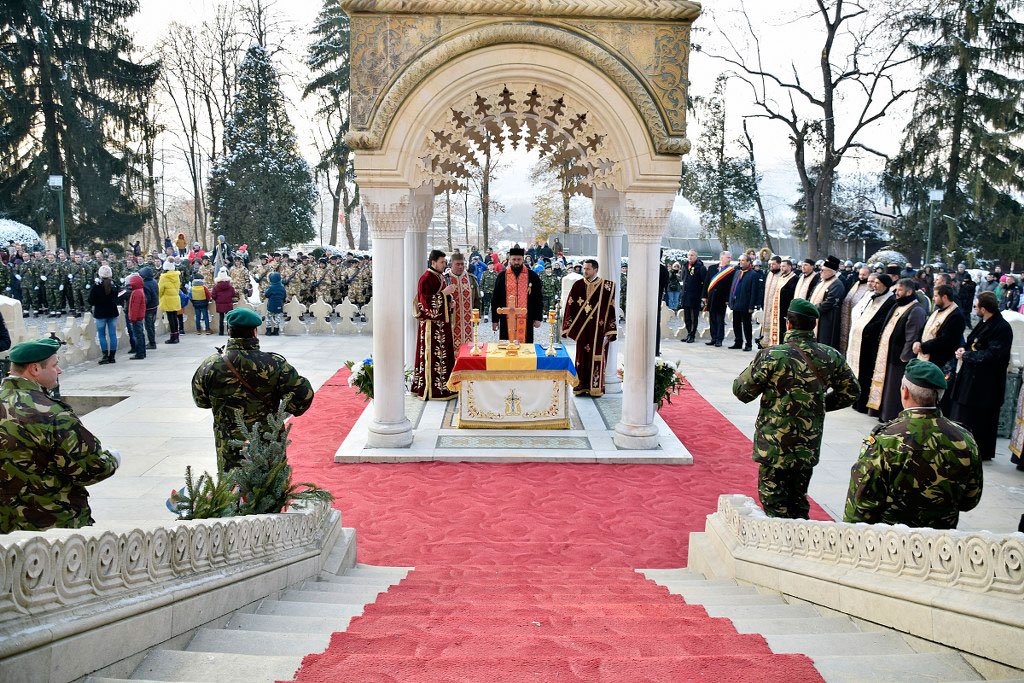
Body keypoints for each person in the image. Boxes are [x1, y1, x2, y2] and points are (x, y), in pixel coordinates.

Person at [733, 300, 859, 518]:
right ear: (814, 325)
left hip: (774, 443)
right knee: (798, 499)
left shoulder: (772, 355)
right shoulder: (830, 355)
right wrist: (816, 405)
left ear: (789, 324)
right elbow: (851, 392)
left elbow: (741, 391)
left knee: (774, 503)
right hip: (807, 442)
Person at [0, 338, 121, 533]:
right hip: (52, 526)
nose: (59, 370)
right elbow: (90, 468)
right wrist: (113, 458)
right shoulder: (52, 413)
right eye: (55, 365)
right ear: (35, 369)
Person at [844, 359, 981, 529]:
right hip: (941, 543)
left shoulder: (886, 439)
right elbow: (970, 499)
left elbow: (861, 503)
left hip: (892, 543)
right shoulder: (965, 439)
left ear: (905, 391)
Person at [191, 308, 314, 472]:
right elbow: (303, 397)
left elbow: (201, 401)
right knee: (271, 489)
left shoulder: (211, 364)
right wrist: (283, 410)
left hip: (229, 445)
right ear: (255, 332)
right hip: (268, 441)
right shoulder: (274, 363)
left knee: (231, 490)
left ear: (229, 331)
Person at [949, 291, 1013, 461]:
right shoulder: (984, 322)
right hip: (970, 378)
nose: (974, 309)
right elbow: (973, 343)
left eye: (976, 306)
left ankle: (976, 450)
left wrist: (966, 356)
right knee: (963, 413)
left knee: (979, 419)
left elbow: (993, 354)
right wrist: (964, 350)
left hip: (986, 384)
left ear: (983, 309)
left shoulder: (1002, 328)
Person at [867, 278, 926, 421]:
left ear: (909, 291)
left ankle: (890, 415)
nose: (896, 293)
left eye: (899, 290)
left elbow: (912, 335)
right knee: (886, 386)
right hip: (887, 353)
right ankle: (881, 412)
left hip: (899, 357)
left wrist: (905, 357)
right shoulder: (897, 305)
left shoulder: (916, 309)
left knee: (893, 389)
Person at [562, 258, 617, 396]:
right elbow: (570, 306)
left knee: (596, 358)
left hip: (598, 330)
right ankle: (580, 386)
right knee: (581, 359)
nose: (584, 271)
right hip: (582, 331)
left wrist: (609, 332)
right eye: (584, 268)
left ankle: (595, 388)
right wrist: (568, 327)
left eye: (588, 269)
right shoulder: (578, 285)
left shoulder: (607, 287)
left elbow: (611, 309)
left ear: (595, 270)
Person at [847, 274, 896, 413]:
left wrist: (868, 329)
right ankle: (857, 400)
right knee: (859, 371)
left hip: (871, 343)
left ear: (885, 285)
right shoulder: (873, 296)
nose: (874, 285)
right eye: (874, 282)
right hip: (862, 341)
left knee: (866, 373)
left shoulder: (890, 300)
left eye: (877, 283)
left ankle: (863, 403)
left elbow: (881, 321)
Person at [412, 249, 457, 400]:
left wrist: (449, 303)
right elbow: (426, 303)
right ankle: (431, 389)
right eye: (442, 262)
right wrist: (444, 294)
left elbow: (442, 298)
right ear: (433, 263)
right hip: (431, 326)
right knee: (433, 357)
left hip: (442, 325)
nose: (444, 265)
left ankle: (445, 387)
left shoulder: (439, 276)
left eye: (445, 262)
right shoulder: (426, 278)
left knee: (444, 357)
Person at [490, 244, 544, 343]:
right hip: (505, 319)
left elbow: (538, 298)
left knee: (526, 349)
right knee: (506, 348)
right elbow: (495, 299)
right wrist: (495, 320)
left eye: (519, 260)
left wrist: (538, 317)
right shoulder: (502, 276)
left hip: (526, 318)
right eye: (514, 259)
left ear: (522, 259)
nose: (516, 262)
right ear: (509, 259)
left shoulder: (532, 276)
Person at [913, 284, 966, 372]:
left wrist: (923, 347)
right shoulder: (937, 311)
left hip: (938, 362)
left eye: (936, 296)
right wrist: (917, 340)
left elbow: (946, 340)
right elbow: (925, 327)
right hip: (924, 356)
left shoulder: (956, 316)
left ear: (944, 297)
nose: (933, 298)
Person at [759, 258, 797, 348]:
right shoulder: (772, 275)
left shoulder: (793, 278)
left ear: (790, 266)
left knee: (782, 329)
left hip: (783, 309)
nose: (771, 266)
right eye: (770, 264)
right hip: (771, 307)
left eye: (783, 266)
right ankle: (767, 343)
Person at [809, 256, 845, 349]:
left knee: (824, 343)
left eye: (823, 270)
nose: (820, 272)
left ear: (831, 271)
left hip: (827, 319)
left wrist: (813, 308)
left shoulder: (837, 284)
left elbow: (830, 302)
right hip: (817, 317)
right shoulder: (822, 281)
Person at [448, 252, 481, 349]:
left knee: (468, 348)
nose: (460, 266)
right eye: (457, 264)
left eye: (462, 264)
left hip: (468, 321)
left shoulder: (471, 279)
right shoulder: (445, 278)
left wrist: (477, 317)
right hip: (452, 320)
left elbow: (477, 299)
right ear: (451, 264)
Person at [728, 253, 760, 351]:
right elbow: (733, 287)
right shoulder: (738, 272)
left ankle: (748, 344)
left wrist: (751, 306)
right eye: (740, 260)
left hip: (745, 304)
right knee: (736, 324)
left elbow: (754, 292)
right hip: (736, 302)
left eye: (743, 260)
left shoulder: (753, 274)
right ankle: (738, 342)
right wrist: (730, 301)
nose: (740, 262)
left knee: (746, 325)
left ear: (748, 262)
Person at [703, 251, 736, 348]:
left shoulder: (731, 271)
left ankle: (719, 339)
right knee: (712, 318)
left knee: (720, 319)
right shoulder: (712, 268)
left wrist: (727, 299)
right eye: (728, 257)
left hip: (722, 298)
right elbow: (707, 282)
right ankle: (713, 338)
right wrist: (704, 296)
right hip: (711, 297)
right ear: (722, 257)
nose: (730, 259)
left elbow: (731, 286)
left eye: (730, 257)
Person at [90, 265, 120, 364]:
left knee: (102, 335)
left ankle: (105, 356)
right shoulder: (114, 285)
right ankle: (112, 356)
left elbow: (90, 300)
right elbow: (117, 297)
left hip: (100, 312)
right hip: (112, 311)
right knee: (112, 334)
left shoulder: (97, 286)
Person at [840, 266, 872, 353]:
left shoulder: (870, 288)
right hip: (847, 318)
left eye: (864, 275)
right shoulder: (856, 284)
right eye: (860, 274)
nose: (861, 277)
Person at [680, 250, 706, 343]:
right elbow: (683, 278)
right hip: (686, 295)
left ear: (696, 256)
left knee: (694, 317)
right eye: (689, 255)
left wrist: (703, 296)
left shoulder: (700, 267)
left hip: (695, 295)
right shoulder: (685, 265)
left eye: (692, 255)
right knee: (686, 316)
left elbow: (704, 282)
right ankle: (688, 333)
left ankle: (692, 334)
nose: (690, 257)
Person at [126, 274, 147, 360]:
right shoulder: (140, 290)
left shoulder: (136, 292)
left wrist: (132, 318)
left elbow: (135, 307)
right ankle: (142, 352)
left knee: (138, 336)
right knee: (140, 335)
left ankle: (140, 353)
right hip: (139, 317)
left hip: (137, 318)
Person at [212, 268, 236, 336]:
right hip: (228, 304)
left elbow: (213, 295)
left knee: (221, 318)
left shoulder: (216, 287)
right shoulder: (230, 287)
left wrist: (217, 300)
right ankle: (229, 331)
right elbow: (233, 294)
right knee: (229, 318)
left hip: (220, 304)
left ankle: (221, 332)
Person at [264, 272, 286, 336]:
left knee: (268, 317)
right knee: (277, 318)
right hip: (279, 304)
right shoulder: (282, 287)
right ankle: (276, 331)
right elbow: (284, 296)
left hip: (271, 305)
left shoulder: (271, 287)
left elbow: (266, 295)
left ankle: (268, 331)